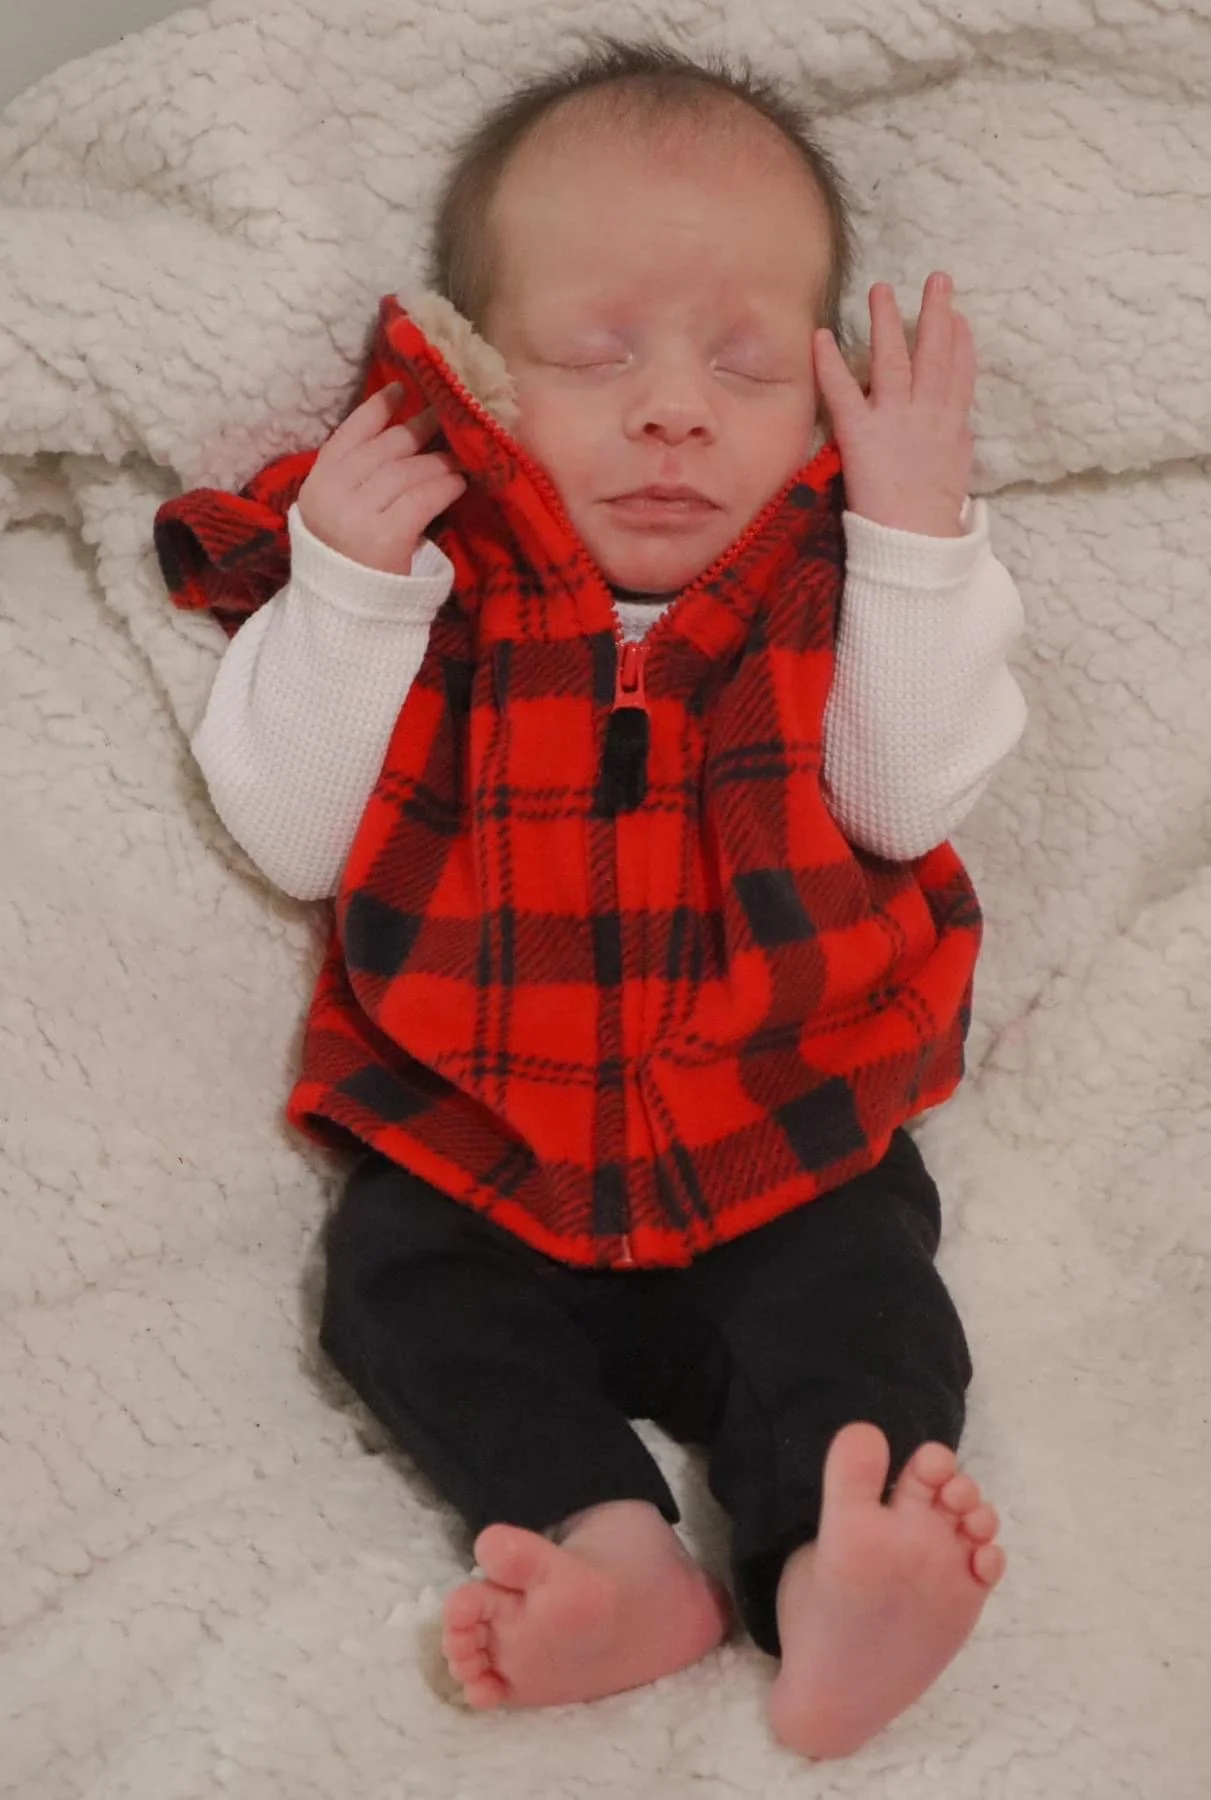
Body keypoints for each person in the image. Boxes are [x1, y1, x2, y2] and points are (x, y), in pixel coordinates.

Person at [187, 38, 1025, 1760]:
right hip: (480, 1147)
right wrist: (346, 592)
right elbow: (294, 839)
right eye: (594, 353)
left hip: (783, 1135)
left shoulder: (842, 581)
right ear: (476, 372)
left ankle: (833, 1569)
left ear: (820, 394)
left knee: (858, 1310)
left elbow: (904, 797)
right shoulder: (429, 587)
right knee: (395, 1293)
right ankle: (602, 1545)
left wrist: (914, 540)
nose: (672, 409)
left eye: (746, 362)